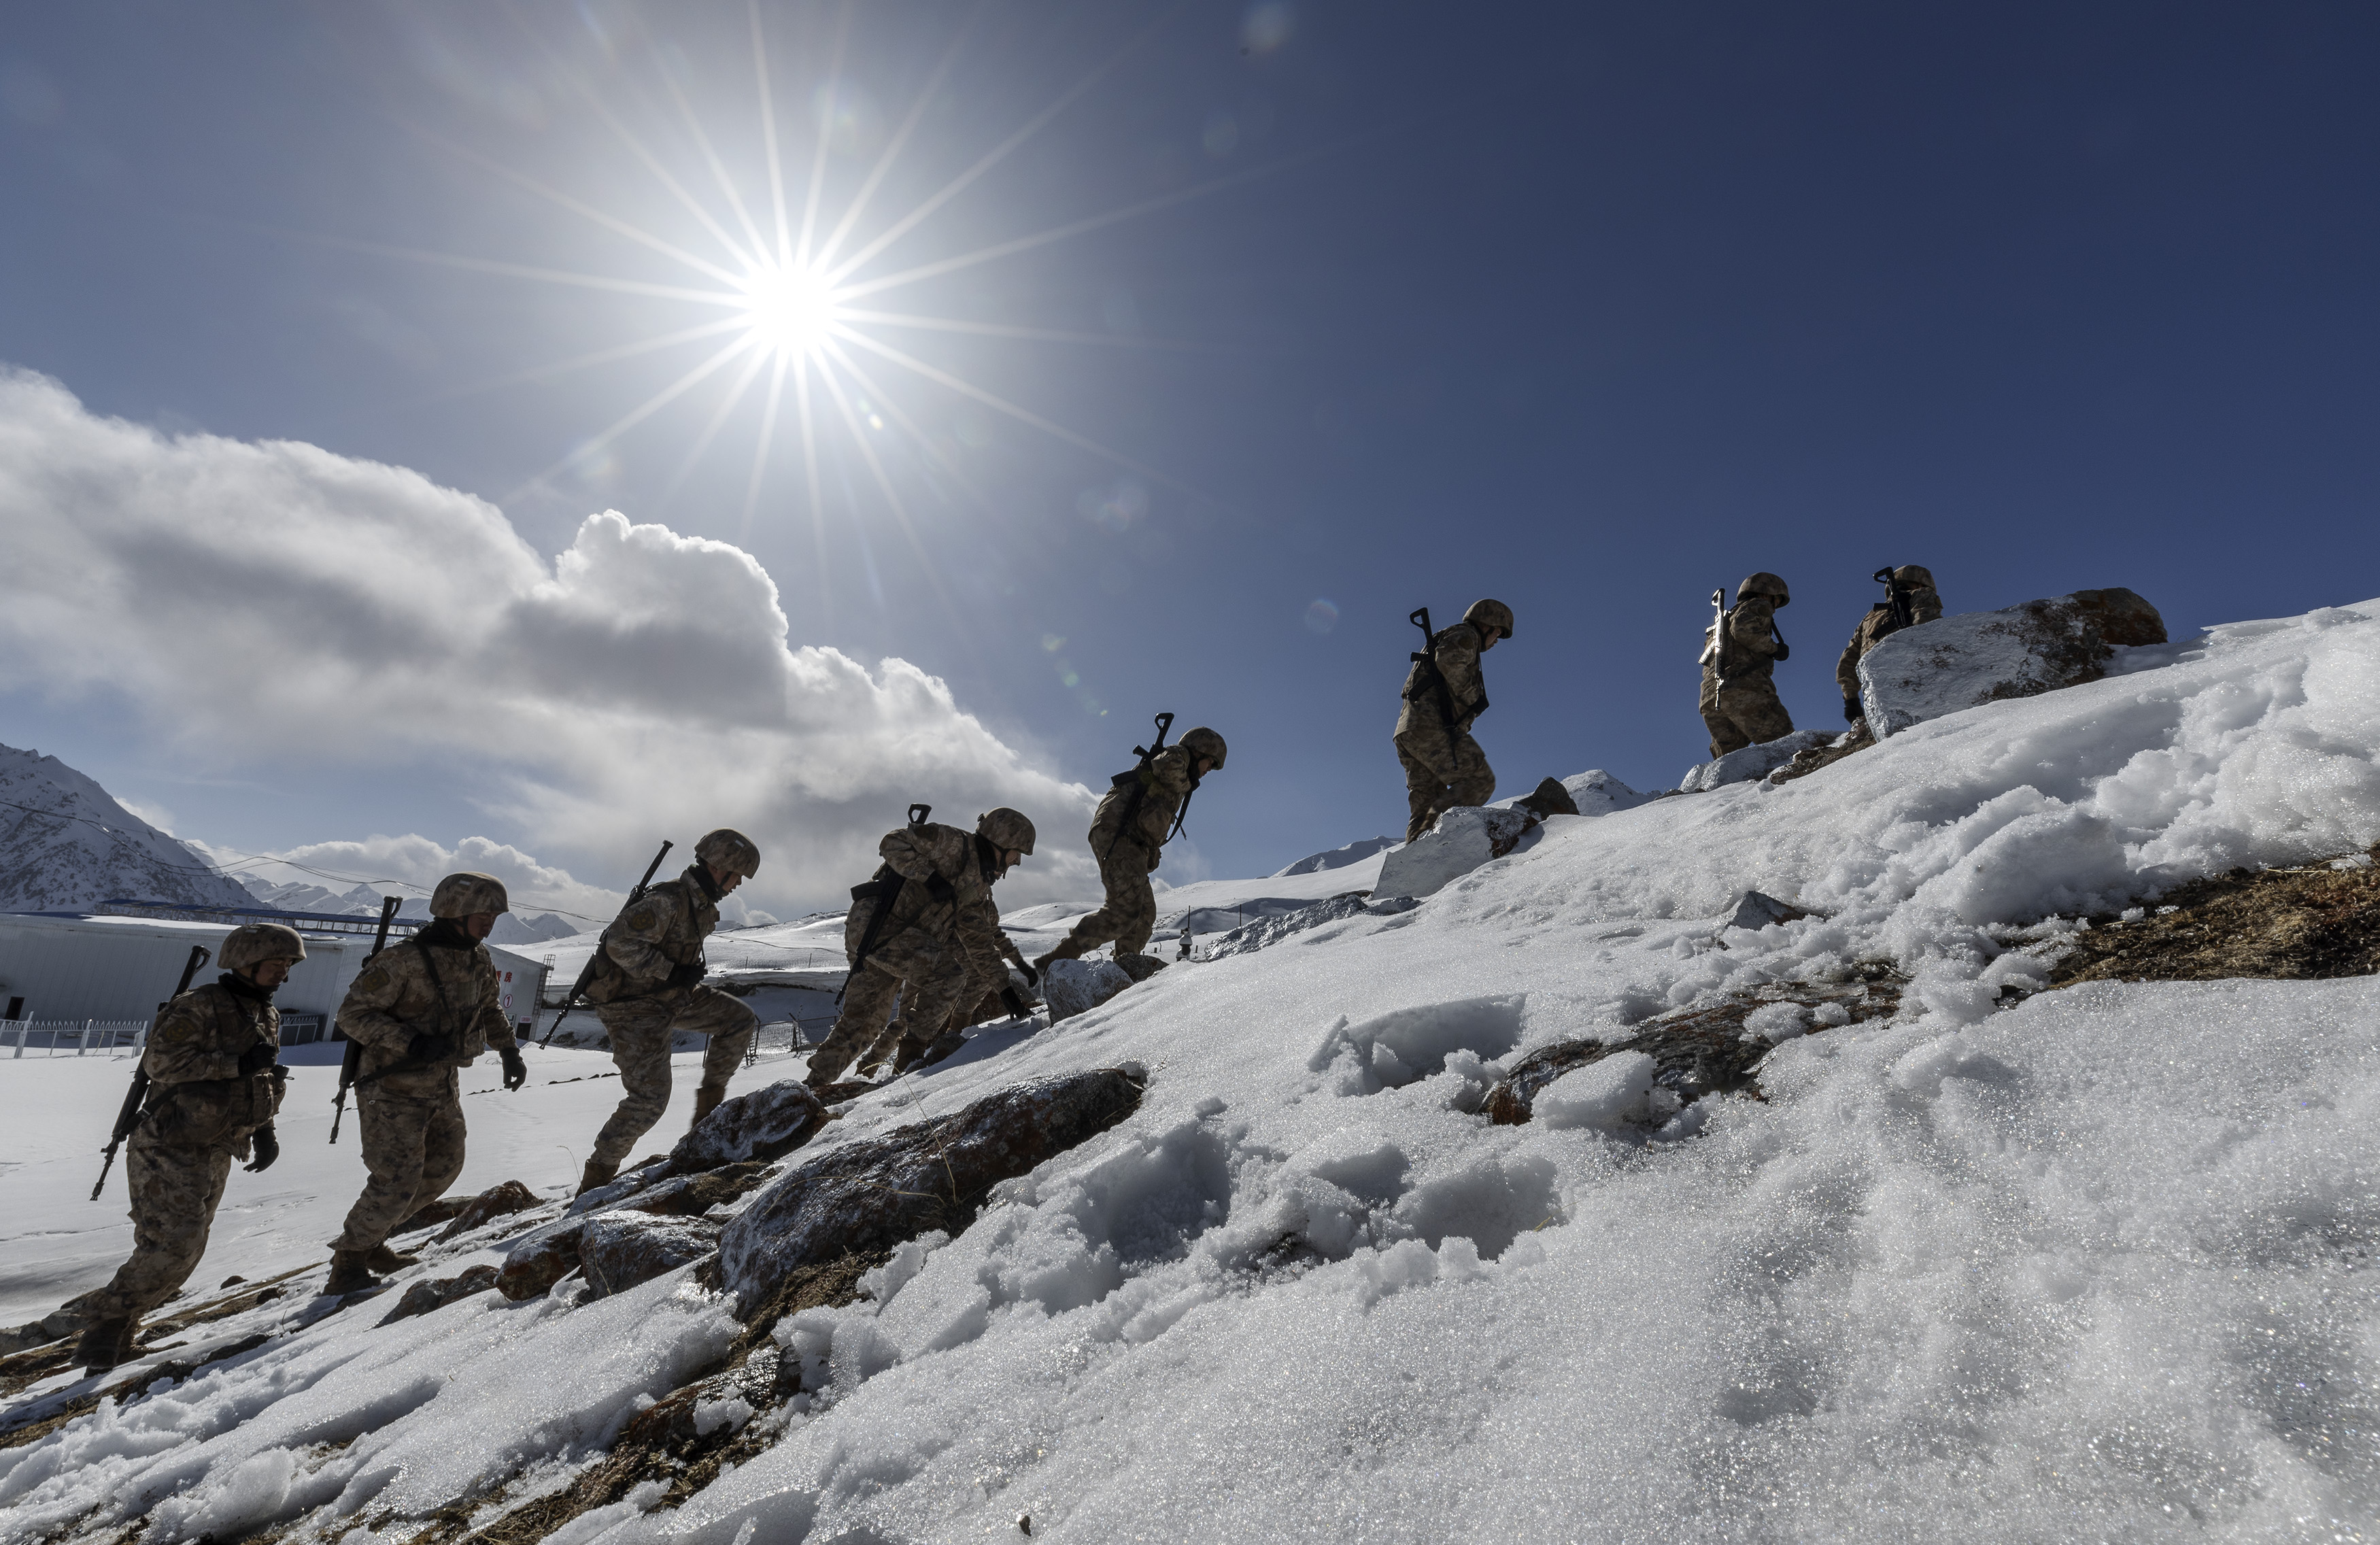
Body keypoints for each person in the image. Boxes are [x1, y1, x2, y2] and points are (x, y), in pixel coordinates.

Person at [33, 923, 303, 1373]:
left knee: (189, 1246)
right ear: (247, 961)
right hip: (168, 1143)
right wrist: (232, 1063)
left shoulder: (264, 1013)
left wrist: (264, 1130)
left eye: (288, 966)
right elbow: (160, 1062)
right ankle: (102, 1328)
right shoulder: (197, 1007)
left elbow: (260, 1078)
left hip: (219, 1144)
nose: (285, 975)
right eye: (278, 965)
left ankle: (119, 1334)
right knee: (173, 1244)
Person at [323, 872, 526, 1295]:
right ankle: (349, 1262)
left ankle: (373, 1238)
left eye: (493, 915)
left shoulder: (477, 958)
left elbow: (488, 1008)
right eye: (482, 914)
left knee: (443, 1168)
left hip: (442, 1083)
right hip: (391, 1088)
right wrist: (410, 1041)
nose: (489, 922)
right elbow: (352, 1015)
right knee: (395, 1179)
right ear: (456, 912)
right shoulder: (403, 961)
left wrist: (509, 1051)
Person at [574, 829, 764, 1195]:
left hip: (670, 997)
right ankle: (596, 1178)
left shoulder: (702, 905)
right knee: (649, 1098)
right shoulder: (668, 901)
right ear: (717, 865)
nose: (739, 883)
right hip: (633, 1008)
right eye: (737, 873)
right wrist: (671, 971)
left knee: (738, 1019)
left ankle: (706, 1118)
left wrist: (677, 977)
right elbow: (618, 943)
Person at [804, 808, 1038, 1091]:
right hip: (879, 926)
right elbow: (891, 842)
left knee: (866, 1022)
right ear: (1002, 840)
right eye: (1017, 853)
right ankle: (911, 1063)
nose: (1018, 862)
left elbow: (978, 942)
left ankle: (813, 1087)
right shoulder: (953, 843)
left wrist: (1006, 991)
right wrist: (930, 877)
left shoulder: (977, 887)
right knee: (948, 976)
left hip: (897, 938)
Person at [1036, 726, 1228, 977]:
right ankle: (1055, 961)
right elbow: (1166, 767)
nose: (1207, 771)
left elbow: (1152, 815)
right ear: (1199, 751)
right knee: (1125, 910)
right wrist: (1188, 783)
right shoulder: (1178, 756)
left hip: (1130, 839)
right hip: (1116, 831)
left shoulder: (1182, 778)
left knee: (1144, 914)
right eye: (1209, 763)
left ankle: (1124, 968)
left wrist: (1152, 849)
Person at [1395, 601, 1510, 844]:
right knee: (1481, 781)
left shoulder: (1447, 637)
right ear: (1487, 624)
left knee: (1423, 805)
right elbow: (1449, 661)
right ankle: (1434, 825)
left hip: (1410, 731)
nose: (1497, 640)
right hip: (1432, 728)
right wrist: (1472, 697)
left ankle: (1414, 865)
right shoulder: (1466, 634)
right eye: (1499, 631)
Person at [1699, 573, 1795, 758]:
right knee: (1785, 747)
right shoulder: (1758, 605)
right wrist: (1774, 649)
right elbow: (1743, 631)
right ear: (1768, 594)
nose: (1774, 608)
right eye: (1776, 601)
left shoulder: (1722, 623)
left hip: (1711, 698)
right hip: (1745, 689)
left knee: (1730, 763)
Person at [1836, 564, 1943, 725]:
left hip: (1874, 687)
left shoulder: (1869, 618)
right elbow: (1928, 627)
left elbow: (1848, 660)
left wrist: (1850, 699)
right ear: (1922, 583)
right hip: (1910, 677)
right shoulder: (1921, 594)